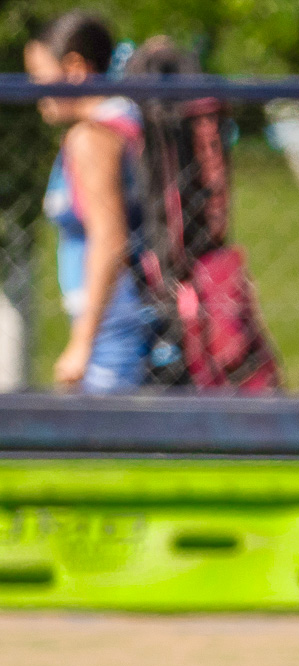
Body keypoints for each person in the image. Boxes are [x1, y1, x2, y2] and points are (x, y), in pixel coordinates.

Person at [25, 11, 157, 394]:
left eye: (39, 77)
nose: (34, 92)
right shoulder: (124, 118)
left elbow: (110, 238)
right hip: (118, 319)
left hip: (112, 324)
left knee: (108, 445)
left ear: (75, 68)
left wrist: (81, 343)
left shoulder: (93, 137)